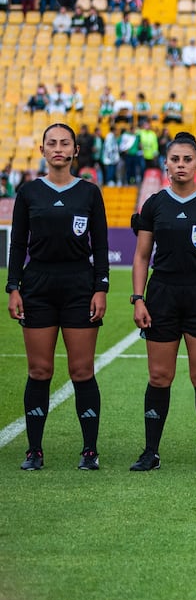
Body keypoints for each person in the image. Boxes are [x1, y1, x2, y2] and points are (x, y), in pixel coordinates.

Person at [128, 133, 196, 472]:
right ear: (166, 165)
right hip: (163, 294)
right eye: (175, 160)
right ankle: (151, 452)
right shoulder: (154, 204)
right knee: (160, 376)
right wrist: (138, 299)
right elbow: (141, 256)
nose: (181, 165)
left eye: (188, 160)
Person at [6, 123, 109, 471]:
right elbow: (18, 243)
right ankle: (34, 451)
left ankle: (90, 451)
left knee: (81, 369)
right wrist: (13, 287)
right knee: (40, 369)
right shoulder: (29, 192)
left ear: (76, 151)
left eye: (65, 143)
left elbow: (101, 245)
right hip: (38, 285)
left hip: (80, 284)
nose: (59, 148)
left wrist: (101, 287)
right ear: (42, 150)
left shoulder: (89, 193)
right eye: (52, 143)